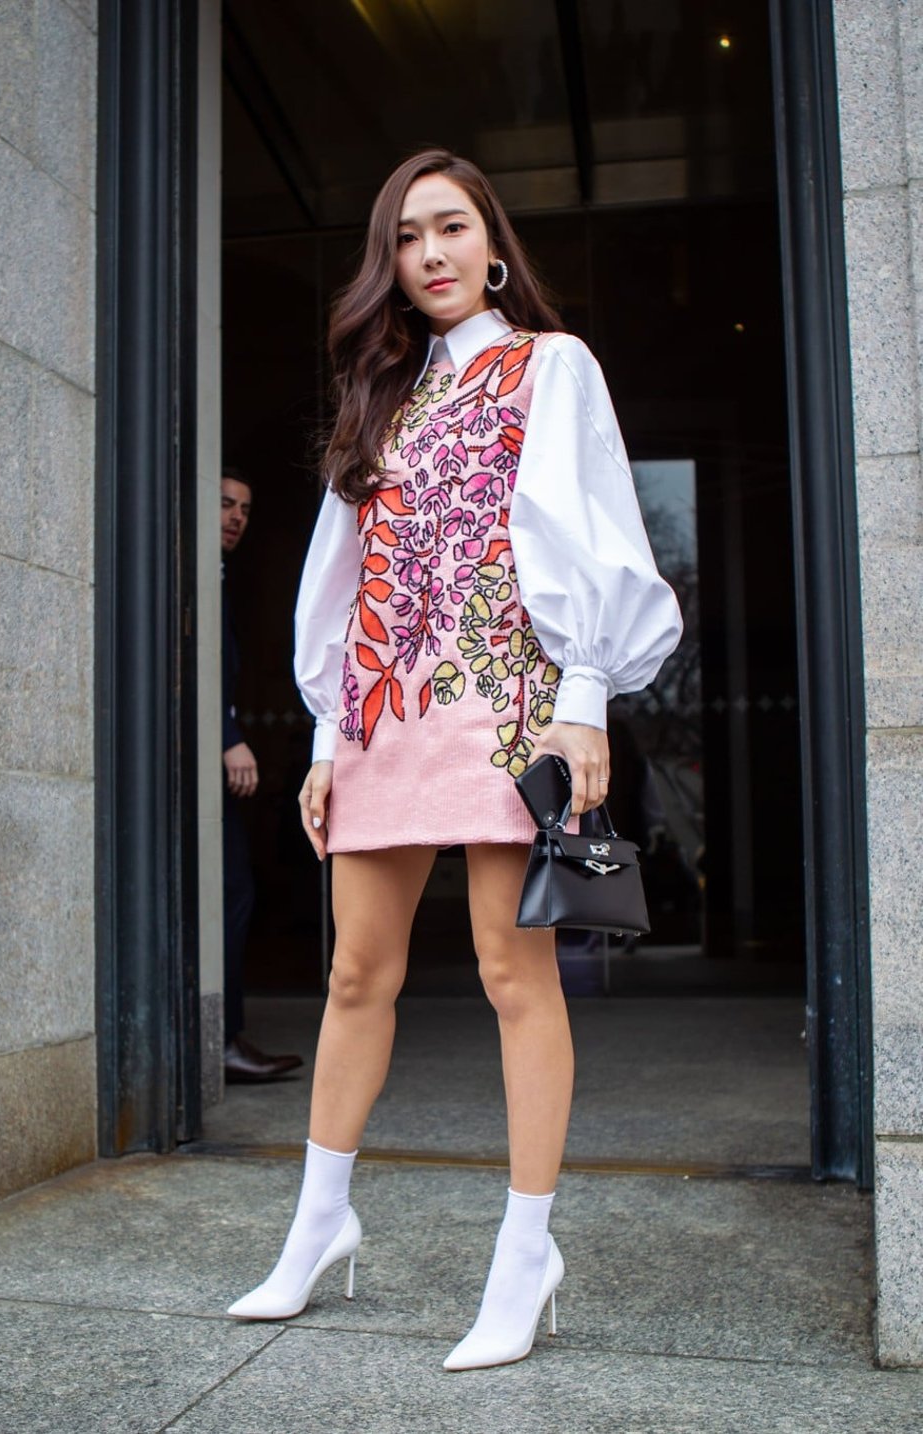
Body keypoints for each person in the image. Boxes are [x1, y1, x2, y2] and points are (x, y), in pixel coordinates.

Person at [226, 150, 682, 1369]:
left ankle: (527, 1254)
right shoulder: (380, 397)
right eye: (405, 238)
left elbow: (594, 528)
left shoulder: (551, 365)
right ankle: (317, 1228)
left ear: (491, 244)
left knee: (509, 971)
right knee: (355, 975)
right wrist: (327, 734)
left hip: (504, 700)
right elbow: (344, 581)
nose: (428, 254)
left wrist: (582, 697)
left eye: (449, 228)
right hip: (383, 708)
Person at [220, 470, 303, 1083]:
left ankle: (222, 1036)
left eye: (244, 508)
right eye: (224, 503)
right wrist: (229, 739)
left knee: (234, 891)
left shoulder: (218, 579)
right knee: (230, 892)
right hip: (187, 769)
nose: (235, 517)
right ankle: (218, 1038)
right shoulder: (187, 572)